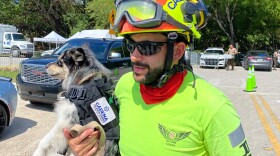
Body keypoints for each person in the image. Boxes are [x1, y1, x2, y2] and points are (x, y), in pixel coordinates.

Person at [64, 0, 251, 155]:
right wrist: (87, 147)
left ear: (177, 51)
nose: (134, 56)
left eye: (147, 47)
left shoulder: (213, 107)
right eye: (130, 45)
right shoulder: (125, 86)